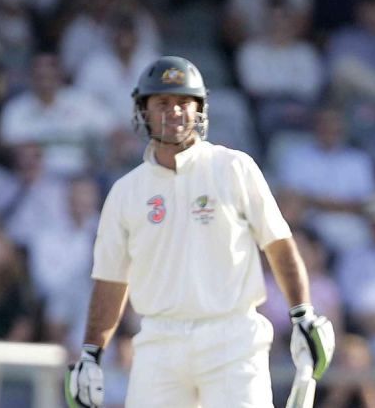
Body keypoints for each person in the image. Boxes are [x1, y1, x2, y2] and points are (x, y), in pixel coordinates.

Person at [64, 56, 335, 408]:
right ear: (143, 111)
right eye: (163, 103)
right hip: (159, 342)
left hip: (232, 338)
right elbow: (111, 279)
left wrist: (301, 314)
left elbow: (279, 244)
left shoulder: (233, 167)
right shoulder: (126, 191)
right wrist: (91, 353)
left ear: (200, 110)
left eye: (183, 103)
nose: (174, 112)